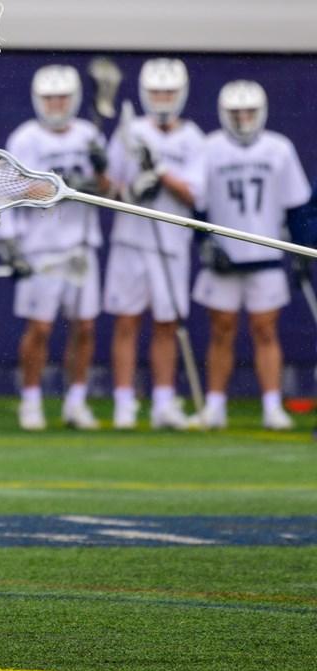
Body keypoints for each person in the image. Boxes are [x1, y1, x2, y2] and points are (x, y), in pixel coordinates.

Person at [193, 80, 311, 430]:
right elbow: (195, 202)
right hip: (224, 254)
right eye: (236, 113)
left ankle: (272, 405)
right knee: (221, 330)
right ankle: (215, 405)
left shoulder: (279, 148)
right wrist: (205, 241)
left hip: (267, 252)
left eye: (249, 112)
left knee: (265, 329)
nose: (243, 119)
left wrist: (302, 249)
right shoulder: (209, 147)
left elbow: (296, 205)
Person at [0, 64, 110, 431]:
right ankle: (30, 401)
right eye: (49, 97)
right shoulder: (25, 138)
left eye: (62, 97)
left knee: (85, 328)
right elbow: (13, 187)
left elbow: (108, 189)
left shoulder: (89, 134)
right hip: (42, 245)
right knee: (41, 329)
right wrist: (62, 186)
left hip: (81, 243)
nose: (56, 104)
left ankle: (75, 401)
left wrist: (98, 170)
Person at [102, 58, 206, 430]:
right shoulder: (128, 131)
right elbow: (110, 188)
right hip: (131, 239)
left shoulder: (193, 137)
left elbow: (195, 194)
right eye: (157, 91)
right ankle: (124, 404)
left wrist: (160, 171)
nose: (163, 99)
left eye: (169, 92)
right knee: (126, 321)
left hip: (170, 242)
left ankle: (163, 402)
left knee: (167, 323)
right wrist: (132, 187)